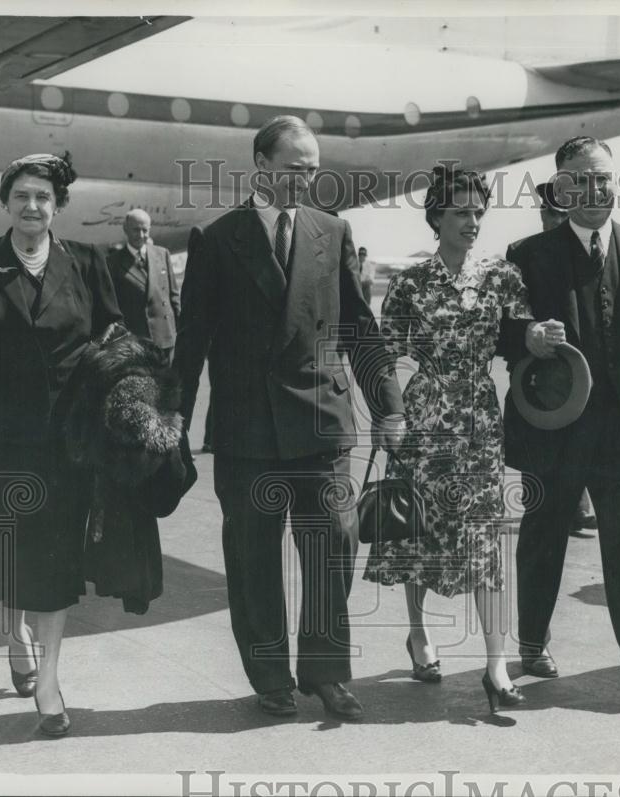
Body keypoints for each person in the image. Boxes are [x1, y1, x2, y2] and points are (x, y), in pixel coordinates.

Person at [174, 115, 405, 720]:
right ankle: (270, 676)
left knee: (334, 547)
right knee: (253, 559)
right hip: (247, 430)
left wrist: (388, 406)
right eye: (293, 168)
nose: (304, 179)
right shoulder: (217, 239)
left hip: (321, 422)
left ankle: (326, 673)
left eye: (311, 170)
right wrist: (172, 419)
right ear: (261, 164)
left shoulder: (333, 230)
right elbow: (191, 341)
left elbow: (360, 329)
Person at [0, 152, 124, 736]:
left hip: (68, 442)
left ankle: (49, 680)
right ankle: (16, 634)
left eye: (43, 196)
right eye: (21, 195)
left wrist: (128, 401)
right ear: (5, 202)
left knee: (57, 557)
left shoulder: (87, 261)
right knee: (12, 546)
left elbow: (114, 339)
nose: (32, 206)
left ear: (58, 205)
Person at [503, 136, 620, 703]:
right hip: (555, 428)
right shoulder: (527, 254)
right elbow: (502, 331)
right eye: (580, 180)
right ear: (560, 188)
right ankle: (532, 639)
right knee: (544, 537)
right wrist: (528, 335)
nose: (595, 189)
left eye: (603, 178)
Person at [363, 167, 534, 713]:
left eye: (478, 211)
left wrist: (538, 337)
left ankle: (496, 664)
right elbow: (385, 356)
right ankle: (418, 633)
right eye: (461, 211)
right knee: (415, 528)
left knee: (483, 537)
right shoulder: (410, 283)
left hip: (479, 419)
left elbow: (521, 342)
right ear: (436, 217)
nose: (473, 220)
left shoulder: (503, 277)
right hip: (423, 418)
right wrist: (389, 416)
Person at [534, 181, 597, 537]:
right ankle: (568, 512)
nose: (557, 221)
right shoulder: (529, 254)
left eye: (563, 215)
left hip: (580, 371)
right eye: (552, 214)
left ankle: (579, 510)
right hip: (544, 375)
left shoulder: (583, 253)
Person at [106, 209, 181, 359]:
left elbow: (174, 297)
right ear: (125, 229)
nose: (141, 235)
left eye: (145, 230)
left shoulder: (162, 254)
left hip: (165, 338)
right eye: (136, 230)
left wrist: (181, 331)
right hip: (134, 342)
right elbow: (112, 306)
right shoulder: (113, 262)